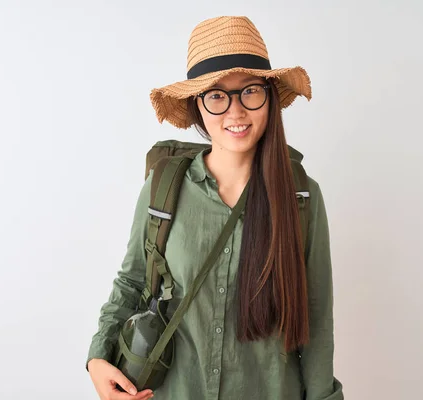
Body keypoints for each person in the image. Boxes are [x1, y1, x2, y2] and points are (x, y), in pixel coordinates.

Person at [86, 16, 344, 400]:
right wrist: (97, 358)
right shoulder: (163, 188)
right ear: (197, 106)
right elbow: (132, 282)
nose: (236, 112)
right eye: (217, 95)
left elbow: (317, 319)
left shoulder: (302, 199)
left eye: (250, 91)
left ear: (269, 97)